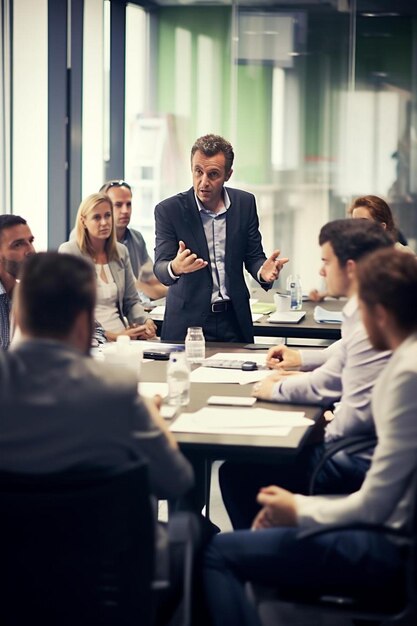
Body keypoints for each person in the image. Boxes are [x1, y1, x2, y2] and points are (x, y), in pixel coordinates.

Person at [203, 248, 417, 626]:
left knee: (216, 553)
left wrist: (297, 510)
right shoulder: (406, 359)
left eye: (361, 312)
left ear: (381, 314)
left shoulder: (406, 377)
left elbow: (374, 508)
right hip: (386, 528)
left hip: (387, 547)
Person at [0, 251, 194, 621]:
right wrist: (155, 419)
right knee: (193, 533)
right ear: (85, 321)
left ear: (18, 315)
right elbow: (176, 481)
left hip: (9, 587)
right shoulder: (114, 392)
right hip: (106, 587)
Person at [219, 219, 393, 529]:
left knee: (237, 472)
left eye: (326, 262)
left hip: (349, 462)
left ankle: (264, 557)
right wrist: (297, 364)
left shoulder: (370, 318)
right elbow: (338, 359)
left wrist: (274, 389)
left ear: (350, 267)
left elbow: (328, 387)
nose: (322, 271)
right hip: (358, 450)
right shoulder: (365, 309)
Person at [154, 134, 288, 342]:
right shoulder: (169, 210)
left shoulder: (245, 204)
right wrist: (175, 267)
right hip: (188, 324)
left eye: (213, 174)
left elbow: (253, 256)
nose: (203, 182)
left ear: (228, 174)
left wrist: (263, 272)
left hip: (233, 319)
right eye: (198, 172)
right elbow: (160, 268)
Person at [59, 193, 156, 341]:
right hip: (91, 340)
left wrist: (145, 321)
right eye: (97, 217)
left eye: (107, 215)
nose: (104, 222)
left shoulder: (121, 252)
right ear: (83, 221)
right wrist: (114, 336)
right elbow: (69, 309)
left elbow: (132, 301)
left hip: (124, 338)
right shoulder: (70, 251)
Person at [309, 194, 413, 301]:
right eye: (354, 222)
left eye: (363, 222)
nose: (356, 227)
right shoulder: (356, 253)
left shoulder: (402, 254)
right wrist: (325, 293)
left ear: (382, 227)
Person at [100, 180, 167, 300]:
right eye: (118, 205)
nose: (125, 211)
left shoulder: (136, 239)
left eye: (128, 204)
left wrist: (137, 286)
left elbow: (156, 284)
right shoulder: (91, 240)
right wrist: (137, 287)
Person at [0, 215, 35, 350]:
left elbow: (94, 331)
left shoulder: (32, 291)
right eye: (18, 244)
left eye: (30, 241)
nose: (30, 250)